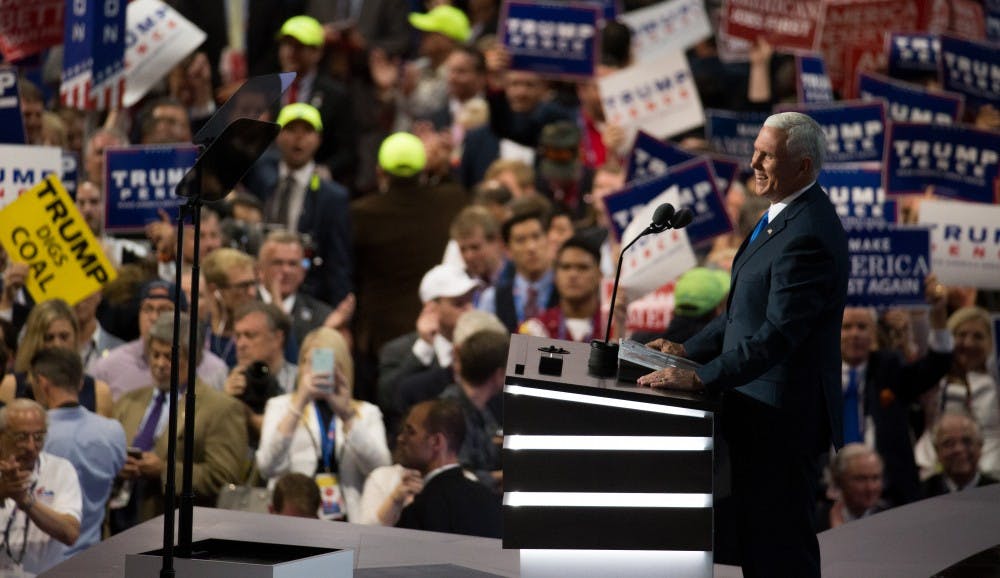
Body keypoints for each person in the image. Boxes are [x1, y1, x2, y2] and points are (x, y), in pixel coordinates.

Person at [637, 112, 849, 576]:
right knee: (756, 545)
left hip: (781, 422)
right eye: (755, 150)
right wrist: (688, 349)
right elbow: (740, 316)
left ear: (804, 166)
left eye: (766, 155)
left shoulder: (808, 233)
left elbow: (776, 335)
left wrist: (702, 377)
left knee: (780, 552)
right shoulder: (782, 214)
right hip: (756, 414)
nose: (752, 161)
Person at [110, 314, 247, 532]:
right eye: (155, 355)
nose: (160, 364)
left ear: (194, 359)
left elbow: (225, 477)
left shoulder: (221, 409)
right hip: (118, 525)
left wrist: (165, 471)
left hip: (178, 531)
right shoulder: (129, 401)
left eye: (170, 357)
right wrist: (117, 465)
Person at [256, 328, 390, 521]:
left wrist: (347, 416)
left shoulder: (366, 413)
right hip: (292, 516)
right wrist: (299, 404)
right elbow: (267, 466)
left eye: (325, 363)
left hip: (347, 519)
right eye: (308, 362)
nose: (316, 371)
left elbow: (380, 469)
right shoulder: (280, 407)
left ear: (342, 368)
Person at [837, 281, 952, 507]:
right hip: (831, 493)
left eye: (862, 327)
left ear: (873, 333)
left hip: (890, 494)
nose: (855, 334)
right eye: (847, 327)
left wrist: (938, 312)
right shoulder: (817, 374)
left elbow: (937, 365)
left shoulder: (888, 367)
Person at [242, 103, 353, 307]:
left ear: (318, 139)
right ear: (277, 136)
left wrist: (340, 310)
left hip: (308, 295)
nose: (298, 138)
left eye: (307, 131)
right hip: (257, 288)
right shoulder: (260, 177)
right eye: (291, 130)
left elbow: (338, 261)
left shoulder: (332, 196)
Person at [30, 348, 126, 558]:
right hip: (92, 561)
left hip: (42, 564)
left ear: (42, 383)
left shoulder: (30, 438)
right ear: (81, 382)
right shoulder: (113, 432)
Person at [89, 279, 229, 400]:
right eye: (147, 309)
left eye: (164, 310)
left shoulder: (214, 370)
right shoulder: (107, 367)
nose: (154, 318)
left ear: (184, 315)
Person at [394, 399, 502, 538]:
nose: (400, 438)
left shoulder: (421, 512)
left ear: (436, 442)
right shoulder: (490, 501)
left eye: (410, 432)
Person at [915, 306, 1000, 479]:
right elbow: (923, 341)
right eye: (961, 335)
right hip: (931, 470)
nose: (968, 343)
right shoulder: (934, 379)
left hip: (991, 472)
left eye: (978, 336)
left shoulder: (995, 382)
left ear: (990, 343)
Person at [0, 399, 82, 574]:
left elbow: (70, 533)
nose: (31, 446)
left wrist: (25, 500)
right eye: (21, 437)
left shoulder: (60, 470)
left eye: (38, 437)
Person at [0, 299, 114, 417]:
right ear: (34, 341)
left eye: (64, 337)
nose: (57, 345)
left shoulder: (99, 392)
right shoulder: (8, 387)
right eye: (49, 338)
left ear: (76, 338)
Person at [440, 329, 508, 493]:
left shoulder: (481, 405)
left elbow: (493, 440)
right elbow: (460, 476)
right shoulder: (451, 412)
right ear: (499, 374)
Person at [519, 235, 602, 342]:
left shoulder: (617, 326)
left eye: (582, 267)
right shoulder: (533, 331)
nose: (573, 274)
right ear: (555, 276)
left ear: (600, 275)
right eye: (565, 267)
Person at [921, 412, 998, 498]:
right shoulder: (921, 495)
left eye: (966, 441)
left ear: (980, 446)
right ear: (936, 450)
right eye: (948, 443)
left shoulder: (996, 493)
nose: (958, 449)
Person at [816, 444, 888, 531]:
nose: (870, 488)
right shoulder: (817, 522)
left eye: (875, 478)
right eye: (861, 479)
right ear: (840, 481)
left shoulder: (892, 517)